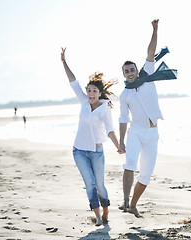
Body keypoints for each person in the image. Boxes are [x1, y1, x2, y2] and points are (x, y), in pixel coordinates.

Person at [61, 47, 120, 226]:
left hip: (96, 151)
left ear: (99, 93)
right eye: (89, 91)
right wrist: (64, 61)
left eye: (94, 91)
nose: (91, 94)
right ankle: (99, 217)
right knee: (90, 184)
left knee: (100, 185)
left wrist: (118, 146)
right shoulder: (83, 102)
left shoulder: (104, 109)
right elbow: (73, 82)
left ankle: (106, 210)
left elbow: (110, 130)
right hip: (79, 151)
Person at [118, 19, 163, 218]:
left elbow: (150, 53)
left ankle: (133, 205)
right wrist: (121, 141)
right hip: (135, 132)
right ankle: (125, 200)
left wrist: (155, 30)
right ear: (124, 75)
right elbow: (122, 119)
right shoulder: (124, 95)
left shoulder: (147, 76)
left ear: (137, 70)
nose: (130, 73)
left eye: (132, 70)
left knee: (145, 175)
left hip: (152, 134)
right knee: (129, 163)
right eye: (126, 71)